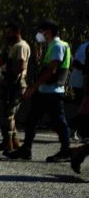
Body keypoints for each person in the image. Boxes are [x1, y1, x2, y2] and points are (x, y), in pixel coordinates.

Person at [5, 20, 72, 161]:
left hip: (52, 91)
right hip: (45, 90)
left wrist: (33, 87)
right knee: (31, 120)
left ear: (48, 31)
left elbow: (51, 69)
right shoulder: (53, 45)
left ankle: (66, 150)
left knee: (59, 122)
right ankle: (26, 149)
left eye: (42, 31)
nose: (40, 34)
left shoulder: (57, 46)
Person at [0, 23, 30, 152]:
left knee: (9, 114)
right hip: (10, 83)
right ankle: (12, 141)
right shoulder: (14, 46)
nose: (7, 35)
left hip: (16, 84)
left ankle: (9, 143)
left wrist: (10, 77)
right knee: (4, 112)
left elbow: (20, 66)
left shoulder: (21, 46)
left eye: (9, 32)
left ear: (17, 31)